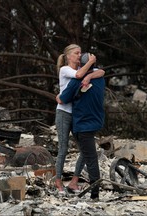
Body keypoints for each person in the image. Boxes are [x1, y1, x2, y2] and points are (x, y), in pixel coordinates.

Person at [55, 44, 105, 195]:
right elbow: (78, 76)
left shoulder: (81, 71)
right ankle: (58, 181)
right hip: (64, 113)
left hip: (77, 115)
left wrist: (90, 75)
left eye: (80, 53)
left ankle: (74, 181)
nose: (79, 55)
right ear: (68, 56)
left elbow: (101, 72)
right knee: (63, 148)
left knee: (85, 149)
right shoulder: (65, 70)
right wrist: (90, 63)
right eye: (76, 53)